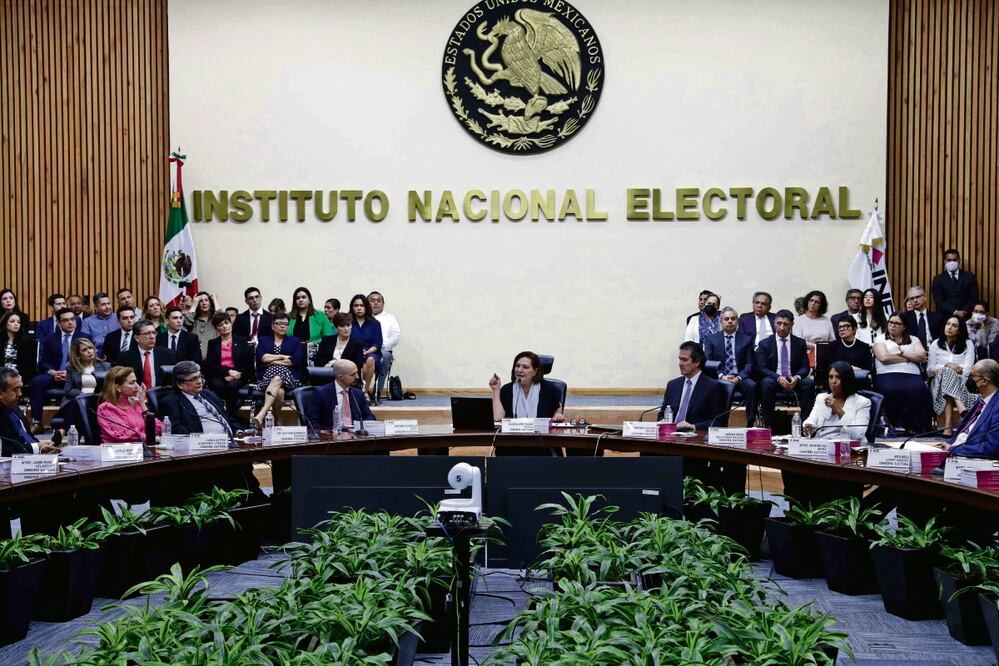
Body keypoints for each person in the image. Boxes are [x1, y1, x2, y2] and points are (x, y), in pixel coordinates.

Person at [29, 308, 90, 428]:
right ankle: (37, 422)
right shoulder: (51, 339)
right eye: (66, 320)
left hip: (76, 374)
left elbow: (88, 361)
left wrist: (71, 373)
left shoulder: (84, 338)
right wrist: (52, 372)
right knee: (36, 381)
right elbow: (44, 362)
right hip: (55, 374)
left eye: (72, 319)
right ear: (59, 323)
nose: (70, 322)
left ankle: (79, 423)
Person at [873, 313, 933, 434]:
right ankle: (891, 426)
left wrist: (902, 353)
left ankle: (914, 427)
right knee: (888, 388)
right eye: (891, 322)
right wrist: (909, 358)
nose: (892, 325)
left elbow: (922, 356)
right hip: (887, 373)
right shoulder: (880, 339)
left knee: (919, 388)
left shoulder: (914, 339)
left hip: (912, 374)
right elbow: (884, 357)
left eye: (897, 323)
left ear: (904, 326)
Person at [756, 309, 816, 427]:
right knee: (766, 383)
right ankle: (769, 425)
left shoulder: (799, 343)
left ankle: (805, 425)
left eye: (786, 324)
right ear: (774, 323)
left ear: (792, 325)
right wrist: (778, 378)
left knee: (809, 383)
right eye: (779, 323)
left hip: (793, 379)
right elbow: (762, 368)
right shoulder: (765, 343)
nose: (782, 327)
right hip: (774, 379)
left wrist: (797, 377)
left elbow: (805, 367)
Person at [703, 307, 758, 424]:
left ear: (737, 321)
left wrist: (739, 377)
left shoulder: (746, 339)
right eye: (726, 319)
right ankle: (718, 423)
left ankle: (750, 422)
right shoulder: (711, 339)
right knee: (712, 387)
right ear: (721, 322)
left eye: (733, 319)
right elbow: (708, 362)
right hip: (720, 377)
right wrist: (721, 376)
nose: (730, 321)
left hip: (740, 377)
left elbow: (750, 363)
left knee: (752, 386)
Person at [656, 341, 728, 429]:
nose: (680, 363)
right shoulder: (673, 385)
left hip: (696, 435)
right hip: (671, 433)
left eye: (684, 360)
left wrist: (693, 427)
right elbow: (661, 416)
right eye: (680, 359)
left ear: (697, 362)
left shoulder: (713, 387)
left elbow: (718, 422)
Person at [251, 311, 304, 429]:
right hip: (266, 377)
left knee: (277, 378)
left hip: (289, 377)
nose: (283, 326)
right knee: (279, 392)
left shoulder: (295, 340)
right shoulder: (264, 340)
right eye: (279, 323)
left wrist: (272, 361)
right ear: (273, 326)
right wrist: (282, 356)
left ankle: (262, 413)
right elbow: (262, 358)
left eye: (285, 324)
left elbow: (294, 360)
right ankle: (279, 420)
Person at [927, 316, 978, 436]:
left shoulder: (968, 343)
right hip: (937, 384)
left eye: (954, 325)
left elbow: (968, 370)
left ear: (960, 330)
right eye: (948, 324)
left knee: (948, 377)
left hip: (962, 383)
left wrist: (955, 374)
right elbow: (929, 371)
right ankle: (962, 409)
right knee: (946, 371)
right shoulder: (936, 344)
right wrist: (946, 366)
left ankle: (948, 428)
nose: (949, 327)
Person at [802, 361, 871, 440]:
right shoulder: (821, 398)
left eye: (838, 377)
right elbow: (812, 419)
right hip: (822, 443)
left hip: (845, 445)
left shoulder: (862, 402)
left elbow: (858, 434)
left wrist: (838, 410)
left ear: (847, 380)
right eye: (831, 377)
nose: (833, 381)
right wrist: (809, 425)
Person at [944, 360, 999, 457]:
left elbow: (992, 448)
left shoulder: (997, 406)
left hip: (967, 457)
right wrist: (948, 444)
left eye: (973, 375)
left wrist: (953, 449)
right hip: (954, 449)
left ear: (985, 381)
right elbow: (965, 432)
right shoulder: (981, 401)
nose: (970, 379)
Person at [489, 351, 565, 421]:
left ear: (535, 371)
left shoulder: (550, 389)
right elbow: (498, 418)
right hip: (513, 431)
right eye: (517, 366)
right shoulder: (507, 390)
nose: (519, 370)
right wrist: (496, 390)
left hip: (541, 431)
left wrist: (557, 416)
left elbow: (557, 408)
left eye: (525, 367)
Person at [204, 311, 254, 415]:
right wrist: (228, 371)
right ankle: (219, 413)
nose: (224, 326)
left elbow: (247, 362)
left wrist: (235, 374)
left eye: (226, 323)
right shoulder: (213, 343)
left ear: (231, 324)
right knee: (217, 385)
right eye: (220, 325)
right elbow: (211, 364)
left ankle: (231, 414)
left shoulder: (241, 340)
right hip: (219, 375)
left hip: (238, 374)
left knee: (232, 385)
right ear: (216, 328)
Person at [0, 368, 59, 456]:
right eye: (15, 389)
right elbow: (4, 449)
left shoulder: (14, 406)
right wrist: (36, 447)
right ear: (1, 393)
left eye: (20, 388)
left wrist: (42, 446)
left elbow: (28, 437)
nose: (20, 394)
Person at [303, 359, 376, 430]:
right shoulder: (321, 393)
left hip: (355, 435)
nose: (357, 377)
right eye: (353, 374)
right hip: (331, 435)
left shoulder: (357, 393)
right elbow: (312, 422)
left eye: (357, 373)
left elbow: (369, 417)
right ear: (340, 377)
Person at [97, 366, 161, 443]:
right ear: (118, 387)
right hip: (117, 449)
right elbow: (123, 435)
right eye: (132, 383)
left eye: (136, 382)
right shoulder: (106, 408)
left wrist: (143, 405)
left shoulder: (135, 404)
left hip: (141, 448)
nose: (137, 386)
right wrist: (148, 438)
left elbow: (158, 428)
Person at [120, 320, 177, 389]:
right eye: (147, 333)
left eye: (154, 333)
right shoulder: (125, 357)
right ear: (137, 338)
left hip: (162, 394)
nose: (152, 337)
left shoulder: (168, 354)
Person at [349, 294, 383, 399]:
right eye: (356, 306)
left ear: (366, 307)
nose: (359, 308)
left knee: (370, 360)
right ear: (352, 307)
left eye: (362, 305)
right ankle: (358, 390)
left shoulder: (375, 323)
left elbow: (377, 343)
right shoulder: (348, 322)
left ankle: (364, 392)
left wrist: (366, 352)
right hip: (352, 352)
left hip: (370, 353)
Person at [369, 291, 400, 400]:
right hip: (364, 349)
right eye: (372, 301)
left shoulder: (390, 318)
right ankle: (360, 391)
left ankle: (377, 391)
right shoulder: (362, 317)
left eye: (379, 301)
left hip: (383, 350)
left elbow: (396, 337)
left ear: (383, 304)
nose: (376, 303)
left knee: (385, 357)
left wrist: (381, 346)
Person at [931, 248, 979, 319]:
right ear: (945, 261)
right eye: (949, 260)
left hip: (966, 316)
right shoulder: (938, 279)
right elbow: (939, 301)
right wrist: (955, 312)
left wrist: (964, 311)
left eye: (954, 260)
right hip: (946, 317)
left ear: (959, 260)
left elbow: (974, 297)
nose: (952, 262)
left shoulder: (969, 276)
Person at [315, 312, 366, 377]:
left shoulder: (357, 343)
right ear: (335, 328)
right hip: (327, 375)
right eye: (342, 326)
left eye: (348, 325)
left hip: (348, 377)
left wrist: (337, 363)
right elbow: (318, 361)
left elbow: (358, 364)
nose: (346, 329)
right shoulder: (326, 340)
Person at [1, 310, 37, 382]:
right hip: (2, 374)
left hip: (18, 375)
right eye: (12, 321)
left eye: (18, 322)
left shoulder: (26, 342)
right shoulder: (1, 341)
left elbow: (29, 365)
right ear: (5, 323)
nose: (16, 324)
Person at [183, 292, 220, 358]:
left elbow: (222, 319)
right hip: (195, 359)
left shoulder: (215, 320)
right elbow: (187, 321)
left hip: (214, 358)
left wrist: (215, 300)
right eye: (200, 301)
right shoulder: (193, 320)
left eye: (206, 300)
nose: (204, 303)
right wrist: (194, 305)